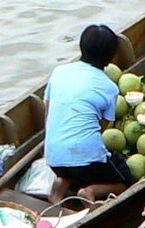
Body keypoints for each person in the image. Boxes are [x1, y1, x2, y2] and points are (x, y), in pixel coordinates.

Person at [43, 25, 130, 204]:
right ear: (112, 57)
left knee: (76, 168)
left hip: (53, 158)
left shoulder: (59, 72)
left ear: (81, 47)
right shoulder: (109, 88)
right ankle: (90, 190)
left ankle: (62, 183)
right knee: (126, 181)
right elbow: (101, 129)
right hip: (86, 162)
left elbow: (47, 113)